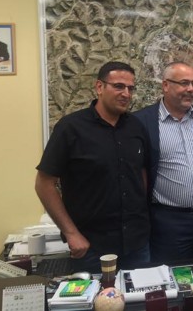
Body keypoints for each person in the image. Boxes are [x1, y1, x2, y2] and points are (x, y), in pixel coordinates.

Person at [35, 61, 150, 273]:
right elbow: (44, 184)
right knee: (98, 295)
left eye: (130, 88)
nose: (126, 94)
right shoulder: (71, 128)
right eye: (118, 86)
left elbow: (142, 172)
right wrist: (71, 233)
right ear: (99, 87)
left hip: (136, 244)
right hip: (91, 247)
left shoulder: (136, 127)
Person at [133, 61, 193, 263]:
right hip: (169, 222)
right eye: (184, 83)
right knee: (172, 276)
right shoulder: (143, 121)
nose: (191, 89)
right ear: (165, 85)